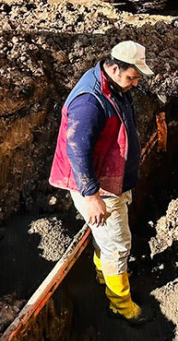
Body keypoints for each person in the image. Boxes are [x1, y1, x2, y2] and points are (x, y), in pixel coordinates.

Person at [50, 41, 154, 324]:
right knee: (118, 245)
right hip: (99, 185)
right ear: (114, 67)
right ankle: (120, 304)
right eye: (132, 77)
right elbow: (76, 149)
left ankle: (102, 272)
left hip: (113, 177)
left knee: (108, 239)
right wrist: (91, 195)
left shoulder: (112, 84)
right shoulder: (88, 101)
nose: (135, 83)